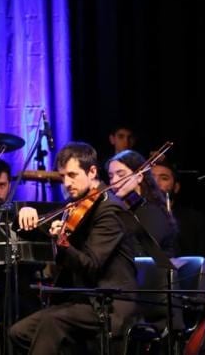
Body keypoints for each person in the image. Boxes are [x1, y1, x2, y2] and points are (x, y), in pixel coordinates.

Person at [13, 142, 138, 354]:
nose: (67, 183)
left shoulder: (110, 210)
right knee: (19, 332)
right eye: (62, 177)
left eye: (72, 175)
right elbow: (37, 228)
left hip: (109, 304)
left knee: (51, 322)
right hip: (82, 302)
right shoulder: (75, 205)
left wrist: (62, 242)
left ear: (92, 172)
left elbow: (91, 265)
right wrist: (23, 216)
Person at [106, 150, 178, 256]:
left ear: (139, 177)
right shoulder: (122, 208)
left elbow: (143, 254)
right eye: (111, 176)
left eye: (121, 175)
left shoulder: (152, 211)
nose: (114, 181)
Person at [150, 158, 205, 260]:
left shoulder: (194, 219)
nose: (156, 183)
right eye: (151, 177)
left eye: (164, 178)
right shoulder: (137, 217)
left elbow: (203, 260)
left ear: (176, 187)